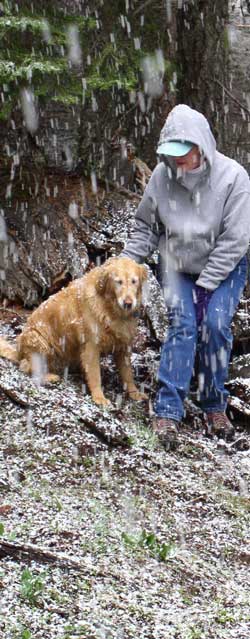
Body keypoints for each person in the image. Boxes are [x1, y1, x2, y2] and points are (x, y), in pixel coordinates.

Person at [122, 104, 250, 445]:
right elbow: (145, 228)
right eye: (172, 155)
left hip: (223, 263)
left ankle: (213, 404)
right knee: (183, 324)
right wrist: (121, 266)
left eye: (184, 155)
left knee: (215, 325)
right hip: (177, 261)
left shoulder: (234, 178)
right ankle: (167, 411)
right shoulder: (161, 178)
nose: (178, 162)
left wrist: (207, 286)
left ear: (201, 148)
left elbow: (236, 240)